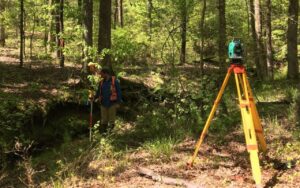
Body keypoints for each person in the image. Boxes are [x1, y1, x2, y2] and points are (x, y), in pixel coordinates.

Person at [94, 67, 122, 133]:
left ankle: (110, 134)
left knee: (112, 120)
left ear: (106, 73)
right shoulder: (101, 82)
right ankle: (104, 133)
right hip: (103, 103)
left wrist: (118, 102)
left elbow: (119, 92)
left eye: (101, 74)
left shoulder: (115, 81)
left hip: (112, 103)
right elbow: (98, 92)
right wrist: (94, 98)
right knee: (104, 120)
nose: (101, 76)